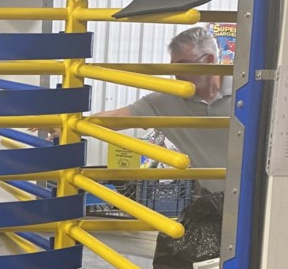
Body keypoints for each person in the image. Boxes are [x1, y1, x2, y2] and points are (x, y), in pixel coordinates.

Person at [38, 26, 230, 194]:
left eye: (183, 66)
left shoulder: (248, 92)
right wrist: (70, 126)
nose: (176, 75)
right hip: (216, 197)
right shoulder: (165, 100)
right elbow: (115, 118)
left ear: (210, 60)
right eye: (173, 68)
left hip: (257, 197)